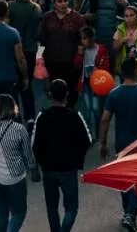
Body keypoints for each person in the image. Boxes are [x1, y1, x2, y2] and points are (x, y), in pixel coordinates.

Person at [95, 60, 137, 232]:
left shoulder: (114, 95)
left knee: (125, 178)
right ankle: (131, 214)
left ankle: (127, 213)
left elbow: (105, 120)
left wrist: (103, 143)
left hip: (121, 145)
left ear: (122, 73)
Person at [32, 77, 92, 232]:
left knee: (52, 208)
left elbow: (35, 143)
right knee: (71, 208)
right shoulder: (74, 116)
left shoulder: (42, 117)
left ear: (50, 95)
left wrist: (39, 162)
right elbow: (87, 140)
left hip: (48, 169)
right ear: (67, 94)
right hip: (68, 169)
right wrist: (77, 158)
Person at [0, 92, 35, 232]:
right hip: (15, 178)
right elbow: (28, 154)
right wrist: (33, 169)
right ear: (12, 108)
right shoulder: (19, 129)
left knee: (1, 211)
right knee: (18, 212)